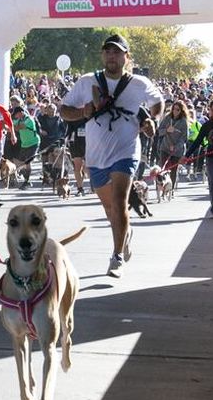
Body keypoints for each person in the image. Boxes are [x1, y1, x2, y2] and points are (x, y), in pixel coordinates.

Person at [60, 34, 163, 277]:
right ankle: (124, 234)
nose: (111, 56)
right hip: (95, 156)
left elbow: (158, 102)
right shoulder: (87, 82)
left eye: (117, 52)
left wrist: (152, 120)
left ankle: (116, 256)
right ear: (102, 55)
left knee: (119, 202)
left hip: (126, 150)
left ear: (127, 57)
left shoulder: (139, 83)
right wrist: (82, 112)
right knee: (110, 209)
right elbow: (64, 111)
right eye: (107, 51)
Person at [156, 101, 188, 187]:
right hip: (165, 147)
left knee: (173, 170)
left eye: (178, 110)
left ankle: (172, 188)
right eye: (174, 109)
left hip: (176, 150)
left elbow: (184, 138)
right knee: (164, 168)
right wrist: (166, 130)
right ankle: (163, 186)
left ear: (181, 111)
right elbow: (159, 131)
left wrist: (175, 147)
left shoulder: (183, 122)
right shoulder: (167, 118)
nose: (175, 111)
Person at [11, 105, 39, 189]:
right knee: (19, 162)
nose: (15, 116)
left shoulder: (29, 119)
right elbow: (12, 125)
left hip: (33, 143)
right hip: (24, 144)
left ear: (21, 113)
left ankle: (27, 181)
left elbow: (19, 127)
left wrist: (11, 127)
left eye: (16, 114)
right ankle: (25, 176)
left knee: (27, 161)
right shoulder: (19, 120)